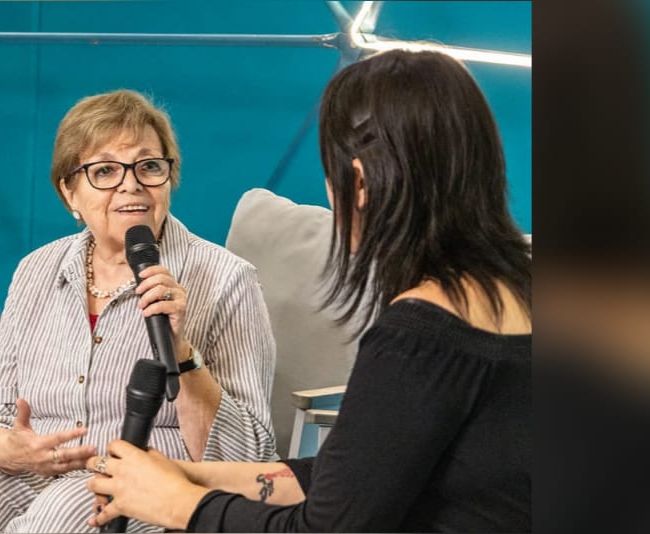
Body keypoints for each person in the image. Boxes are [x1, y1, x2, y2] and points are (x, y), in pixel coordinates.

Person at [85, 49, 532, 532]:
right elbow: (357, 476)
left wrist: (177, 504)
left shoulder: (422, 334)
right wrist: (192, 475)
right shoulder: (520, 293)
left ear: (359, 183)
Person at [0, 89, 278, 533]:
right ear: (69, 191)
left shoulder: (227, 280)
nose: (131, 184)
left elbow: (250, 454)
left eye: (148, 166)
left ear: (169, 178)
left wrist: (181, 353)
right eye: (104, 170)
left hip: (150, 477)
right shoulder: (37, 269)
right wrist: (11, 448)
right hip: (35, 470)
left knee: (64, 513)